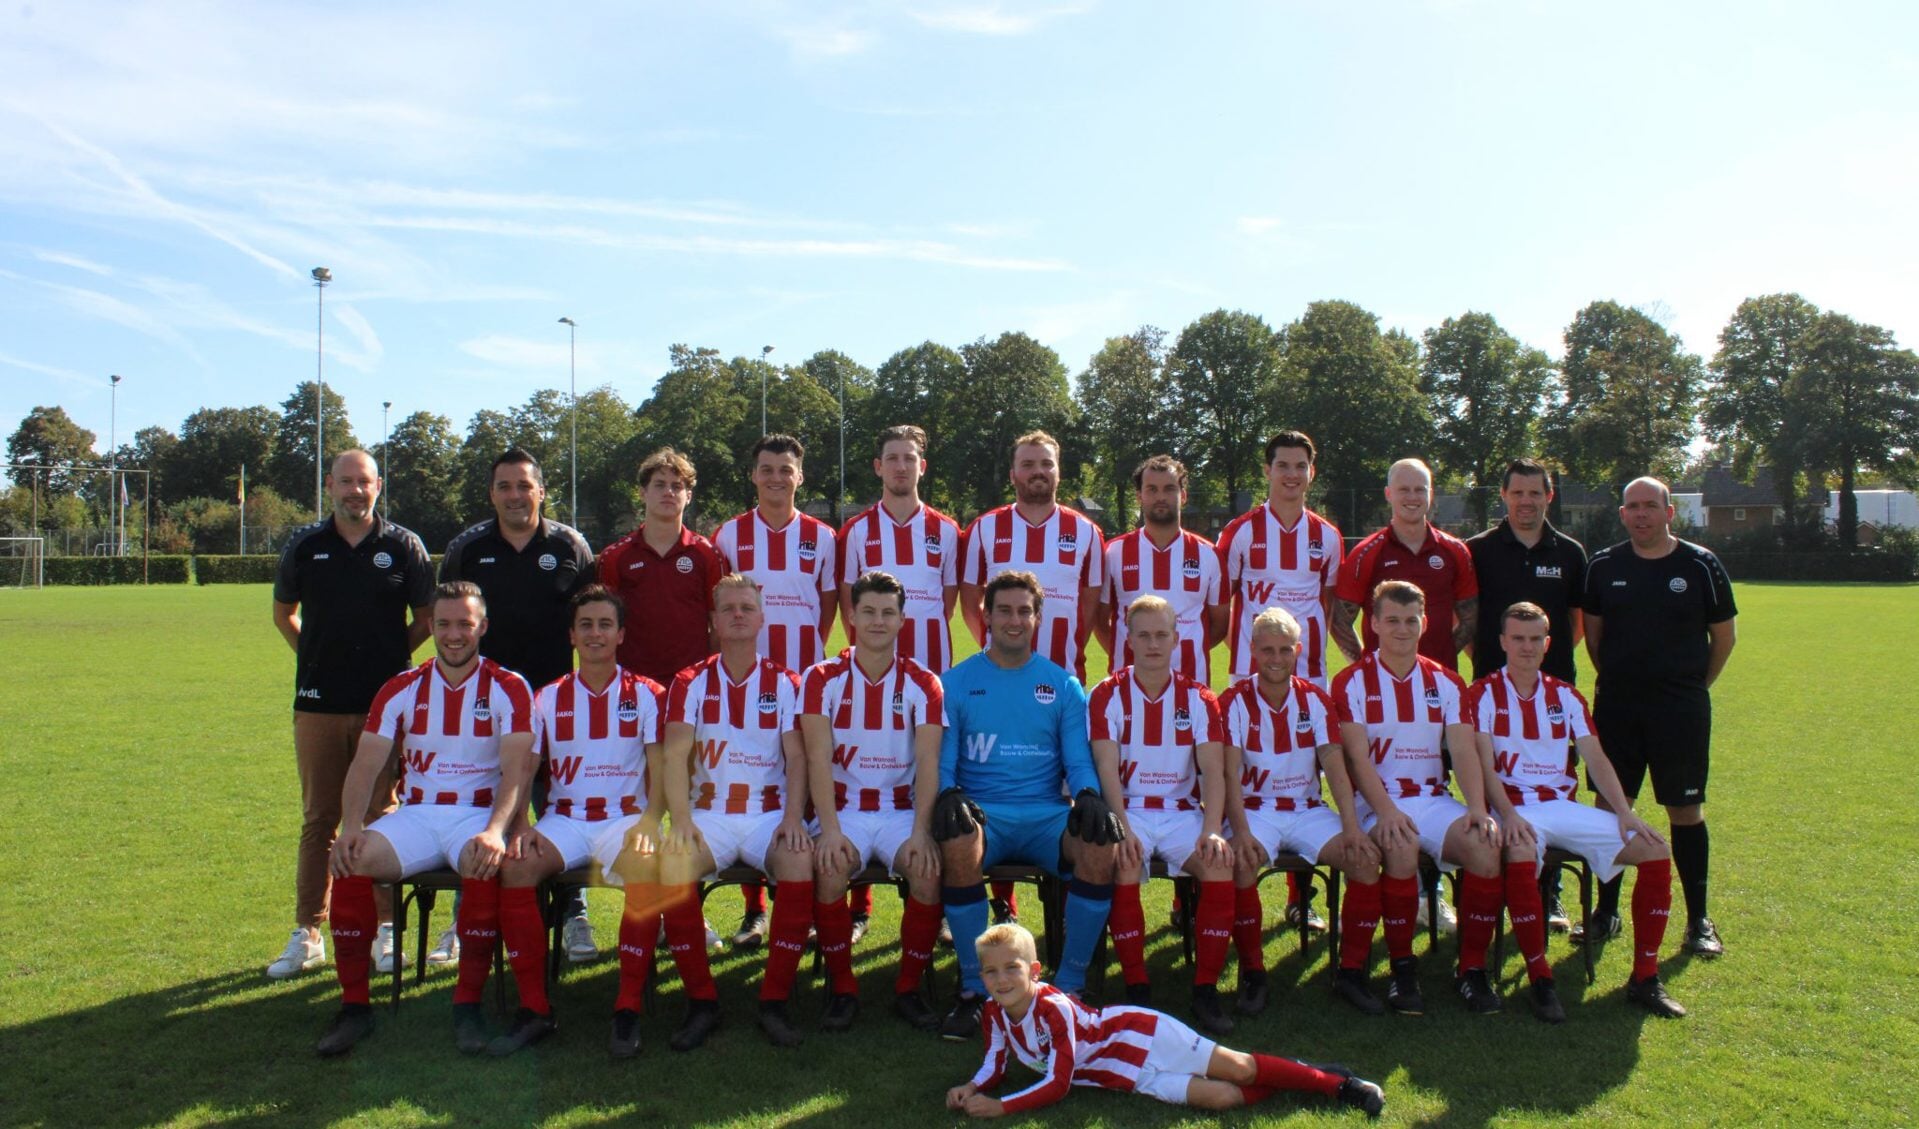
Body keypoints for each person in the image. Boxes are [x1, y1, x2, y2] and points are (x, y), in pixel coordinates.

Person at [312, 581, 536, 1057]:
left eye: (465, 625)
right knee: (352, 859)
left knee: (481, 859)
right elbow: (366, 763)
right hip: (416, 815)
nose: (454, 635)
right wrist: (352, 827)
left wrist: (496, 829)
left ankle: (467, 1005)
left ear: (483, 628)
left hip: (474, 815)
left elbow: (517, 770)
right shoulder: (401, 687)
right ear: (431, 626)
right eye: (444, 624)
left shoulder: (509, 686)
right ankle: (354, 1007)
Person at [1467, 602, 1686, 1021]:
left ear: (1548, 643)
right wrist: (1507, 813)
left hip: (1561, 806)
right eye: (1518, 638)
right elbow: (1481, 763)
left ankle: (1645, 977)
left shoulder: (1565, 694)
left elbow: (1595, 757)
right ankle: (1540, 977)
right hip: (1515, 809)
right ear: (1502, 642)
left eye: (1535, 639)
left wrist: (1624, 811)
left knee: (1655, 850)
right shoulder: (1481, 693)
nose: (1527, 647)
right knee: (1517, 850)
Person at [933, 570, 1122, 1041]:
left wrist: (1091, 796)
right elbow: (944, 764)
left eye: (1024, 611)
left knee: (1100, 845)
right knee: (957, 841)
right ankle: (974, 991)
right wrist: (950, 793)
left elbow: (1078, 762)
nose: (1014, 620)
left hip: (1045, 814)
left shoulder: (1062, 685)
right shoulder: (955, 683)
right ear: (986, 616)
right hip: (984, 814)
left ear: (1037, 618)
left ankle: (1072, 987)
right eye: (1004, 610)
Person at [269, 448, 432, 981]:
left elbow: (427, 619)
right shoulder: (304, 544)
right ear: (329, 486)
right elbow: (283, 614)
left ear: (378, 486)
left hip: (383, 711)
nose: (354, 491)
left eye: (364, 482)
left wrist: (391, 672)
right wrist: (315, 658)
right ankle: (308, 932)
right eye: (345, 482)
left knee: (383, 815)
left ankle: (386, 932)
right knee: (320, 819)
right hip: (317, 704)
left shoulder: (404, 546)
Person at [487, 584, 669, 1058]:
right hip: (563, 819)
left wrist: (652, 821)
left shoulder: (647, 693)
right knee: (517, 868)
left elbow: (661, 765)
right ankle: (535, 1008)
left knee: (646, 870)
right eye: (585, 625)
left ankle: (627, 1008)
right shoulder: (546, 697)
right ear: (571, 635)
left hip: (624, 819)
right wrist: (522, 826)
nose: (595, 633)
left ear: (621, 634)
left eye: (605, 624)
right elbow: (526, 766)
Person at [945, 922, 1384, 1118]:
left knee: (1243, 1068)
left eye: (1011, 968)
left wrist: (1003, 1107)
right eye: (990, 971)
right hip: (1128, 1076)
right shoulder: (993, 1014)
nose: (1001, 980)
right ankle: (1302, 1075)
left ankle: (1337, 1084)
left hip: (1145, 1035)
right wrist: (972, 1086)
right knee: (1226, 1098)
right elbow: (996, 1063)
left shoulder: (1053, 1008)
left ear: (1034, 971)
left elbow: (1058, 1083)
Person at [441, 448, 597, 966]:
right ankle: (468, 918)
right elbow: (450, 625)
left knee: (559, 810)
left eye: (524, 486)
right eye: (504, 486)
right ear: (492, 493)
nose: (515, 495)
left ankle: (573, 913)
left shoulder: (570, 546)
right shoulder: (468, 548)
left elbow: (592, 623)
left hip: (556, 709)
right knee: (484, 810)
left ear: (541, 491)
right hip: (485, 710)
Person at [1328, 581, 1503, 1016]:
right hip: (1377, 803)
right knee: (1401, 847)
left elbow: (1462, 751)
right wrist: (1386, 811)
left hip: (1432, 798)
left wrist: (1478, 809)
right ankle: (1402, 967)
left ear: (1424, 624)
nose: (1402, 629)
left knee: (1484, 847)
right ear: (1374, 624)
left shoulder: (1445, 680)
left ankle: (1472, 969)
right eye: (1392, 620)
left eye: (1411, 621)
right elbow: (1355, 757)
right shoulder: (1350, 681)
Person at [656, 574, 816, 1050]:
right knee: (671, 868)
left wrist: (792, 819)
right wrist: (681, 822)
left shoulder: (786, 681)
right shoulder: (690, 681)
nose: (739, 615)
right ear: (714, 620)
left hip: (769, 814)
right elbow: (674, 755)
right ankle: (701, 1002)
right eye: (729, 609)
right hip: (710, 814)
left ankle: (774, 1000)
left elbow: (798, 757)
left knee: (798, 863)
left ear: (762, 618)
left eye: (747, 607)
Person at [1580, 476, 1737, 959]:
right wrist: (1624, 683)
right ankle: (1606, 913)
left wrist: (1690, 689)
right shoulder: (1603, 566)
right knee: (1611, 808)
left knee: (1685, 810)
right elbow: (1594, 638)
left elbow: (1724, 638)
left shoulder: (1701, 564)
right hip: (1619, 709)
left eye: (1651, 506)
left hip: (1680, 711)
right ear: (1622, 514)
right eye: (1633, 507)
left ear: (1670, 513)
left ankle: (1698, 919)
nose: (1641, 514)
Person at [1331, 457, 1478, 935]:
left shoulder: (1453, 550)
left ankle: (1432, 895)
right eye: (1404, 489)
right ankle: (1409, 897)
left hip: (1438, 698)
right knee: (1389, 788)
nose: (1413, 497)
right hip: (1381, 695)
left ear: (1430, 494)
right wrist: (1365, 668)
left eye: (1421, 489)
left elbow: (1469, 614)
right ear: (1389, 494)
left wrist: (1437, 656)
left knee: (1436, 788)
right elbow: (1340, 617)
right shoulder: (1370, 551)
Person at [1218, 607, 1381, 1018]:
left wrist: (1351, 828)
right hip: (1255, 809)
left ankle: (1350, 970)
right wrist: (1239, 832)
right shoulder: (1233, 700)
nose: (1276, 658)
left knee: (1364, 861)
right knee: (1240, 862)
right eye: (1267, 650)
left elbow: (1334, 766)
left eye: (1285, 650)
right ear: (1252, 650)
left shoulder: (1315, 699)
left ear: (1298, 650)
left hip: (1307, 809)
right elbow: (1229, 775)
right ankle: (1253, 972)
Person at [801, 570, 946, 1032]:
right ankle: (843, 988)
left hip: (902, 812)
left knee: (926, 869)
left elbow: (928, 764)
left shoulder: (924, 683)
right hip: (842, 811)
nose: (878, 621)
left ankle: (907, 987)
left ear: (903, 619)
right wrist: (830, 830)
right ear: (852, 616)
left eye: (888, 612)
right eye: (869, 611)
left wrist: (922, 832)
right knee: (829, 868)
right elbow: (818, 762)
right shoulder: (821, 678)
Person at [712, 434, 839, 949]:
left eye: (785, 470)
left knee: (808, 784)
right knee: (752, 783)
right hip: (747, 683)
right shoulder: (729, 535)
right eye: (767, 469)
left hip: (804, 679)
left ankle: (808, 905)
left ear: (799, 477)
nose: (776, 478)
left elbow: (828, 608)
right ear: (753, 475)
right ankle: (754, 911)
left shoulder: (824, 537)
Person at [1087, 597, 1236, 1035]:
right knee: (1126, 861)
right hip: (1129, 809)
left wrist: (1212, 830)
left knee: (1217, 864)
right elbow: (1106, 768)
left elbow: (1213, 772)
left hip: (1183, 813)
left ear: (1176, 638)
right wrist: (1123, 827)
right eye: (1144, 635)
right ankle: (1137, 987)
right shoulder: (1106, 693)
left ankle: (1206, 989)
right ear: (1128, 640)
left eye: (1162, 635)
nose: (1153, 643)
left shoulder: (1200, 698)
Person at [835, 424, 960, 939]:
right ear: (878, 467)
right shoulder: (857, 531)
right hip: (870, 675)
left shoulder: (949, 530)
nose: (901, 466)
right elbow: (848, 606)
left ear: (921, 467)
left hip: (930, 675)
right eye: (892, 458)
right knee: (867, 774)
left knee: (944, 775)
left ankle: (966, 903)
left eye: (910, 458)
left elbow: (951, 600)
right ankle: (860, 906)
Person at [1217, 429, 1344, 932]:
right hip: (1249, 674)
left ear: (1311, 473)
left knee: (1304, 781)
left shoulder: (1327, 536)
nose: (1292, 474)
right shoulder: (1241, 531)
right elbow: (1224, 603)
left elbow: (1328, 605)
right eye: (1282, 465)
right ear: (1267, 471)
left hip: (1307, 674)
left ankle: (1300, 896)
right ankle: (1214, 885)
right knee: (1239, 775)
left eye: (1300, 466)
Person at [1464, 457, 1588, 933]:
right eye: (1518, 493)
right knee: (1491, 786)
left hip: (1553, 698)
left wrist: (1537, 666)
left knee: (1554, 788)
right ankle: (1495, 886)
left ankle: (1548, 893)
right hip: (1492, 698)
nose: (1526, 501)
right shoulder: (1479, 550)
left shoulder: (1571, 553)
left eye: (1536, 493)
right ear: (1504, 496)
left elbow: (1576, 624)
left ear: (1549, 497)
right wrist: (1504, 665)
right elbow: (1472, 622)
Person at [959, 431, 1105, 683]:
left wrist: (1069, 642)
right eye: (1027, 464)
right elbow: (971, 601)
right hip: (999, 675)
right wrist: (992, 640)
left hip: (1064, 676)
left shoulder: (1087, 531)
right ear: (1012, 475)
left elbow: (1090, 605)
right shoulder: (984, 528)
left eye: (1047, 463)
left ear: (1058, 472)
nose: (1038, 471)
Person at [597, 447, 727, 688]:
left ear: (688, 496)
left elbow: (718, 626)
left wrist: (707, 679)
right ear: (642, 492)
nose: (668, 492)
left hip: (692, 686)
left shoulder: (708, 555)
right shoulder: (615, 557)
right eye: (659, 485)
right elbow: (604, 627)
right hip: (631, 686)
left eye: (677, 486)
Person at [1097, 456, 1225, 683]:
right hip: (1128, 686)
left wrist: (1187, 649)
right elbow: (1099, 619)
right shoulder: (1113, 552)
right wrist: (1129, 650)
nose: (1160, 497)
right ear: (1139, 496)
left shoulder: (1209, 555)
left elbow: (1220, 625)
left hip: (1191, 687)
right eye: (1151, 489)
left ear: (1183, 495)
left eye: (1169, 489)